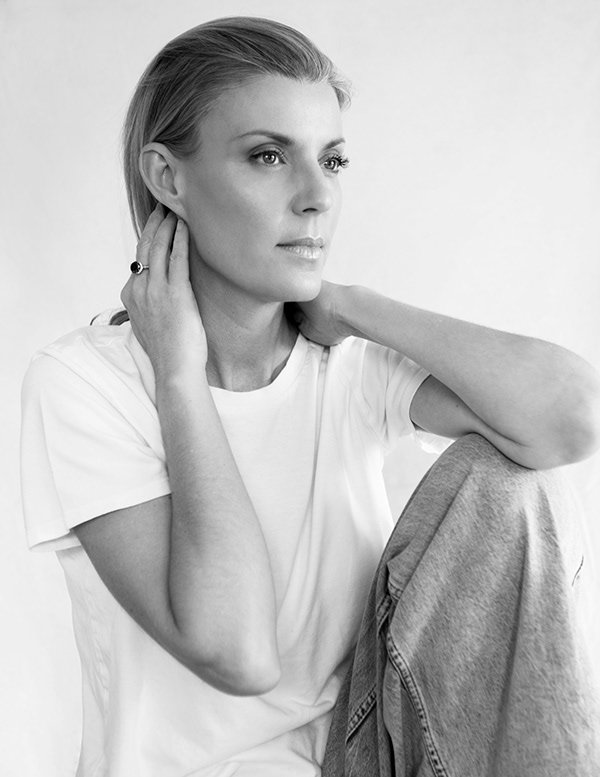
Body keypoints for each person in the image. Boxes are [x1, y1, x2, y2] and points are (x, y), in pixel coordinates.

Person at [20, 16, 600, 777]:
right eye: (268, 157)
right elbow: (240, 652)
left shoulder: (349, 363)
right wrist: (178, 376)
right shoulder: (85, 384)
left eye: (332, 161)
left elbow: (571, 419)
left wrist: (357, 306)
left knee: (506, 478)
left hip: (364, 757)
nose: (317, 197)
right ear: (168, 177)